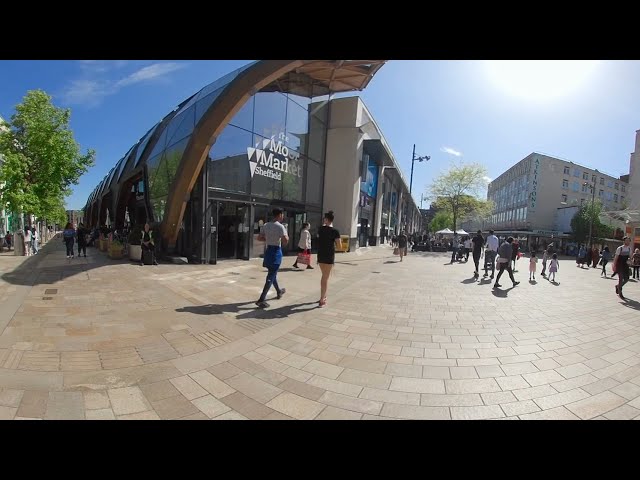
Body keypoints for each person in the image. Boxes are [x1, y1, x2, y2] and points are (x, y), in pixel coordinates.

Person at [255, 208, 289, 308]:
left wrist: (269, 238)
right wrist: (284, 236)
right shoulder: (281, 226)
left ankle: (279, 292)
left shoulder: (266, 225)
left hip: (268, 250)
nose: (282, 216)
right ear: (279, 215)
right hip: (276, 252)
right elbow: (285, 240)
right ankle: (261, 299)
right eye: (282, 215)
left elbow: (259, 238)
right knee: (271, 275)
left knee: (272, 272)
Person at [317, 210, 341, 307]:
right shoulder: (335, 231)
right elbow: (339, 247)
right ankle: (322, 299)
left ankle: (324, 295)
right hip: (329, 256)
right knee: (325, 278)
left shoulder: (320, 229)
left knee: (324, 276)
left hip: (320, 255)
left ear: (326, 220)